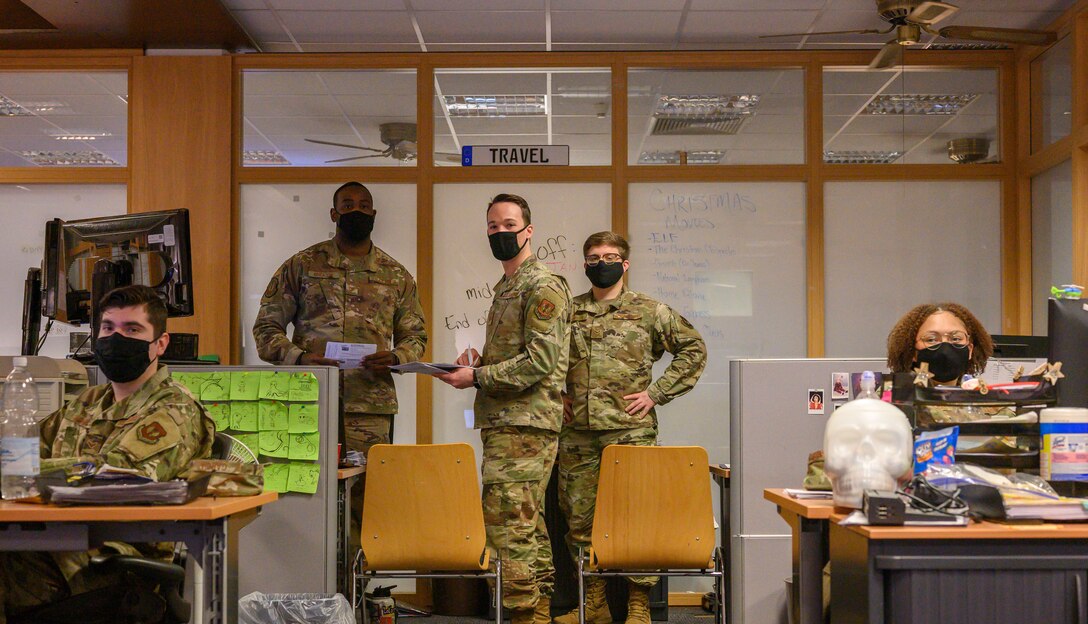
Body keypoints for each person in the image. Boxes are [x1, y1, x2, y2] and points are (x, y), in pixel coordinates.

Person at [0, 284, 215, 623]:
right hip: (52, 539)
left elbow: (114, 476)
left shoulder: (174, 410)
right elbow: (23, 453)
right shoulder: (88, 402)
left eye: (132, 330)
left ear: (160, 343)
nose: (117, 339)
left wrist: (26, 472)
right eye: (108, 328)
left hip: (112, 557)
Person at [556, 231, 707, 624]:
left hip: (631, 431)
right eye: (593, 257)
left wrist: (656, 393)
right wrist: (559, 395)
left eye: (609, 256)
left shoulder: (649, 310)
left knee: (637, 516)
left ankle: (639, 604)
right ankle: (595, 603)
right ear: (584, 263)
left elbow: (693, 349)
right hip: (578, 435)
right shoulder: (566, 311)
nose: (600, 263)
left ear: (624, 264)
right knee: (579, 520)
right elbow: (544, 359)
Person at [435, 193, 571, 624]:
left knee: (507, 528)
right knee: (526, 524)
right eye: (493, 226)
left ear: (528, 231)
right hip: (507, 423)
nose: (500, 232)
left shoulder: (542, 285)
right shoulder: (508, 286)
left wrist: (476, 378)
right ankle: (539, 613)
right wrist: (478, 361)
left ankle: (522, 616)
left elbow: (541, 360)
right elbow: (520, 354)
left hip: (525, 424)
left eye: (509, 225)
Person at [253, 181, 427, 454]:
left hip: (370, 405)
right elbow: (266, 327)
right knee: (309, 486)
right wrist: (299, 358)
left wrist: (396, 358)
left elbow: (415, 336)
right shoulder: (303, 264)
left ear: (373, 215)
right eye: (348, 206)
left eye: (363, 206)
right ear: (334, 214)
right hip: (309, 398)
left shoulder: (395, 275)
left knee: (366, 490)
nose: (356, 211)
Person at [886, 302, 993, 385]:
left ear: (969, 350)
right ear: (913, 352)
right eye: (931, 339)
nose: (945, 348)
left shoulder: (982, 397)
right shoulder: (893, 398)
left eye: (955, 338)